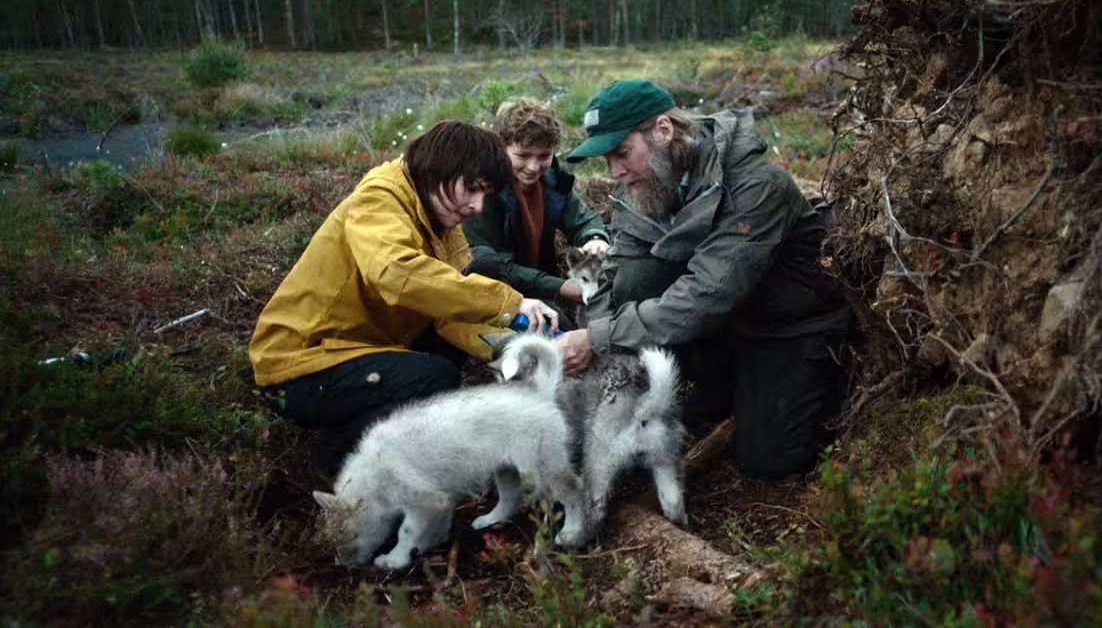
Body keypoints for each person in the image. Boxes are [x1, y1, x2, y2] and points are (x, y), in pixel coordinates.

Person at [556, 78, 853, 480]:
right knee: (634, 279)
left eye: (622, 153)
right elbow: (614, 273)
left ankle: (812, 380)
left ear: (664, 131)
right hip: (724, 324)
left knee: (768, 460)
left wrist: (596, 339)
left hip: (788, 327)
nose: (614, 172)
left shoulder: (757, 186)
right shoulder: (644, 186)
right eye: (607, 160)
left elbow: (704, 295)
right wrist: (595, 347)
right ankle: (726, 384)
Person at [249, 120, 559, 472]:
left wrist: (509, 351)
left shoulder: (440, 215)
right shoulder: (378, 201)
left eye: (485, 195)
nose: (477, 206)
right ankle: (337, 463)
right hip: (303, 365)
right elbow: (396, 274)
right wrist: (510, 303)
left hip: (366, 344)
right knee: (433, 377)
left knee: (479, 271)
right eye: (472, 189)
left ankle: (388, 419)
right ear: (438, 169)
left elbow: (447, 310)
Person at [462, 98, 609, 316]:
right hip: (497, 294)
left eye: (543, 156)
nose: (533, 167)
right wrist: (559, 287)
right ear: (502, 148)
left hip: (542, 286)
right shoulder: (481, 191)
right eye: (522, 156)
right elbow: (493, 264)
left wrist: (595, 238)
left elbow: (583, 218)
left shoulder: (552, 181)